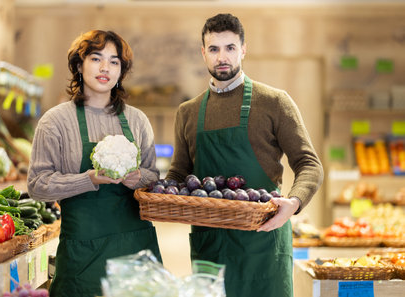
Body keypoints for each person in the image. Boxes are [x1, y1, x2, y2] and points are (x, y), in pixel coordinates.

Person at [166, 13, 324, 297]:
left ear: (243, 50)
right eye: (213, 49)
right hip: (211, 243)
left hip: (262, 242)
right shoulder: (187, 112)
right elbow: (179, 173)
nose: (222, 57)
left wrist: (295, 202)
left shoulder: (274, 102)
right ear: (203, 53)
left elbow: (308, 163)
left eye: (230, 48)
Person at [27, 30, 162, 297]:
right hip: (81, 255)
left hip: (136, 250)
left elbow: (154, 176)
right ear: (79, 65)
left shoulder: (137, 120)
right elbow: (37, 185)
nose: (105, 68)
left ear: (121, 71)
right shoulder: (55, 122)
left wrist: (140, 178)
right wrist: (87, 179)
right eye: (96, 58)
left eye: (114, 61)